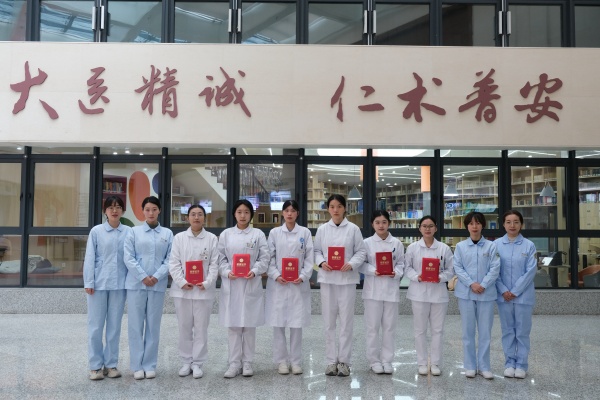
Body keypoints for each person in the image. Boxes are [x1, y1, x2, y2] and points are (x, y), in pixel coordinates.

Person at [314, 194, 366, 377]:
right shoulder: (322, 229)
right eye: (332, 206)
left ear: (345, 208)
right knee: (329, 322)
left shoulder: (353, 229)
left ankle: (344, 361)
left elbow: (361, 252)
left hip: (347, 280)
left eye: (339, 206)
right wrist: (321, 262)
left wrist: (351, 263)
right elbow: (316, 251)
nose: (335, 210)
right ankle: (330, 361)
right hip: (328, 280)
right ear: (328, 209)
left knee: (346, 322)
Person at [217, 199, 270, 378]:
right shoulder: (226, 234)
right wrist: (226, 271)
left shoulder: (258, 234)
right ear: (234, 214)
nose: (242, 215)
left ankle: (247, 363)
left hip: (250, 283)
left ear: (251, 215)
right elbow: (220, 258)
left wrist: (255, 271)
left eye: (246, 212)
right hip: (232, 284)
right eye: (239, 212)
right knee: (233, 326)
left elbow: (265, 258)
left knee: (249, 326)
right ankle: (234, 364)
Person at [124, 196, 173, 380]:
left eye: (154, 209)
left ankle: (150, 364)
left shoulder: (167, 233)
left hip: (157, 285)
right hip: (136, 284)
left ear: (159, 210)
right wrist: (143, 276)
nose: (151, 213)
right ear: (142, 211)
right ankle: (136, 365)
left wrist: (157, 276)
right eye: (147, 209)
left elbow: (170, 259)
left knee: (153, 326)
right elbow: (128, 257)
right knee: (135, 325)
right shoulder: (133, 232)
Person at [83, 195, 131, 380]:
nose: (114, 210)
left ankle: (111, 365)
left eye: (118, 207)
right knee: (95, 326)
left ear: (123, 211)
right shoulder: (96, 231)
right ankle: (95, 366)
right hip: (98, 285)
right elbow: (90, 257)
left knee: (114, 326)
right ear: (105, 211)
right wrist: (89, 281)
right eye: (111, 207)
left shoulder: (128, 232)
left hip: (120, 285)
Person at [168, 204, 219, 379]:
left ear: (204, 218)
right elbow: (173, 263)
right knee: (184, 326)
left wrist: (207, 282)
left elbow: (214, 264)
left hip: (203, 291)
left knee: (201, 328)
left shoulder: (211, 239)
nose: (196, 217)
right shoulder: (179, 238)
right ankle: (186, 361)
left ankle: (197, 363)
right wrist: (182, 282)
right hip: (182, 291)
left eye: (200, 214)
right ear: (187, 218)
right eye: (193, 214)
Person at [266, 200, 314, 375]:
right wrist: (276, 275)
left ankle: (295, 361)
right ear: (282, 213)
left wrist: (303, 276)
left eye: (293, 210)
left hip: (297, 284)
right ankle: (281, 361)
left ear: (297, 213)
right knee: (278, 324)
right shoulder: (274, 233)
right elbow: (269, 257)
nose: (289, 213)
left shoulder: (305, 233)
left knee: (296, 324)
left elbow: (309, 258)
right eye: (286, 210)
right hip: (278, 284)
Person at [404, 215, 454, 376]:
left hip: (438, 294)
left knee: (438, 330)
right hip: (418, 293)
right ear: (419, 228)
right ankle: (422, 362)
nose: (427, 229)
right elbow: (407, 268)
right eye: (424, 226)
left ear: (436, 228)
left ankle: (436, 363)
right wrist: (416, 276)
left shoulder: (444, 248)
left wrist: (440, 277)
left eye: (431, 226)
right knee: (420, 330)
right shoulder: (412, 248)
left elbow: (451, 269)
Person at [453, 211, 500, 379]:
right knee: (468, 331)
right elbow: (458, 268)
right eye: (471, 223)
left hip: (486, 294)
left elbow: (495, 268)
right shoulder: (460, 247)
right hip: (466, 294)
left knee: (485, 332)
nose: (474, 226)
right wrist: (471, 284)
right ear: (467, 226)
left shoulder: (491, 246)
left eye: (478, 223)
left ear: (482, 226)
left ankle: (485, 366)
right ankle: (470, 366)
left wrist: (483, 284)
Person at [359, 210, 404, 375]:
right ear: (372, 224)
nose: (381, 225)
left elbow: (401, 264)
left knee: (389, 327)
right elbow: (361, 264)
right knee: (372, 327)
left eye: (384, 222)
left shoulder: (397, 243)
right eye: (377, 222)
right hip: (372, 291)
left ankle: (387, 360)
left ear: (389, 223)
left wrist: (395, 272)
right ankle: (374, 361)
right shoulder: (366, 243)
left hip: (391, 290)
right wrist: (374, 270)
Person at [495, 210, 537, 379]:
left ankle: (521, 364)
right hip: (503, 296)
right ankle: (509, 363)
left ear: (521, 224)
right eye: (508, 222)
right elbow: (494, 271)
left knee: (522, 332)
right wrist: (504, 290)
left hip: (523, 297)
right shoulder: (496, 245)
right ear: (503, 224)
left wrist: (515, 291)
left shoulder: (529, 245)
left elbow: (530, 271)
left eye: (516, 222)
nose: (512, 225)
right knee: (507, 331)